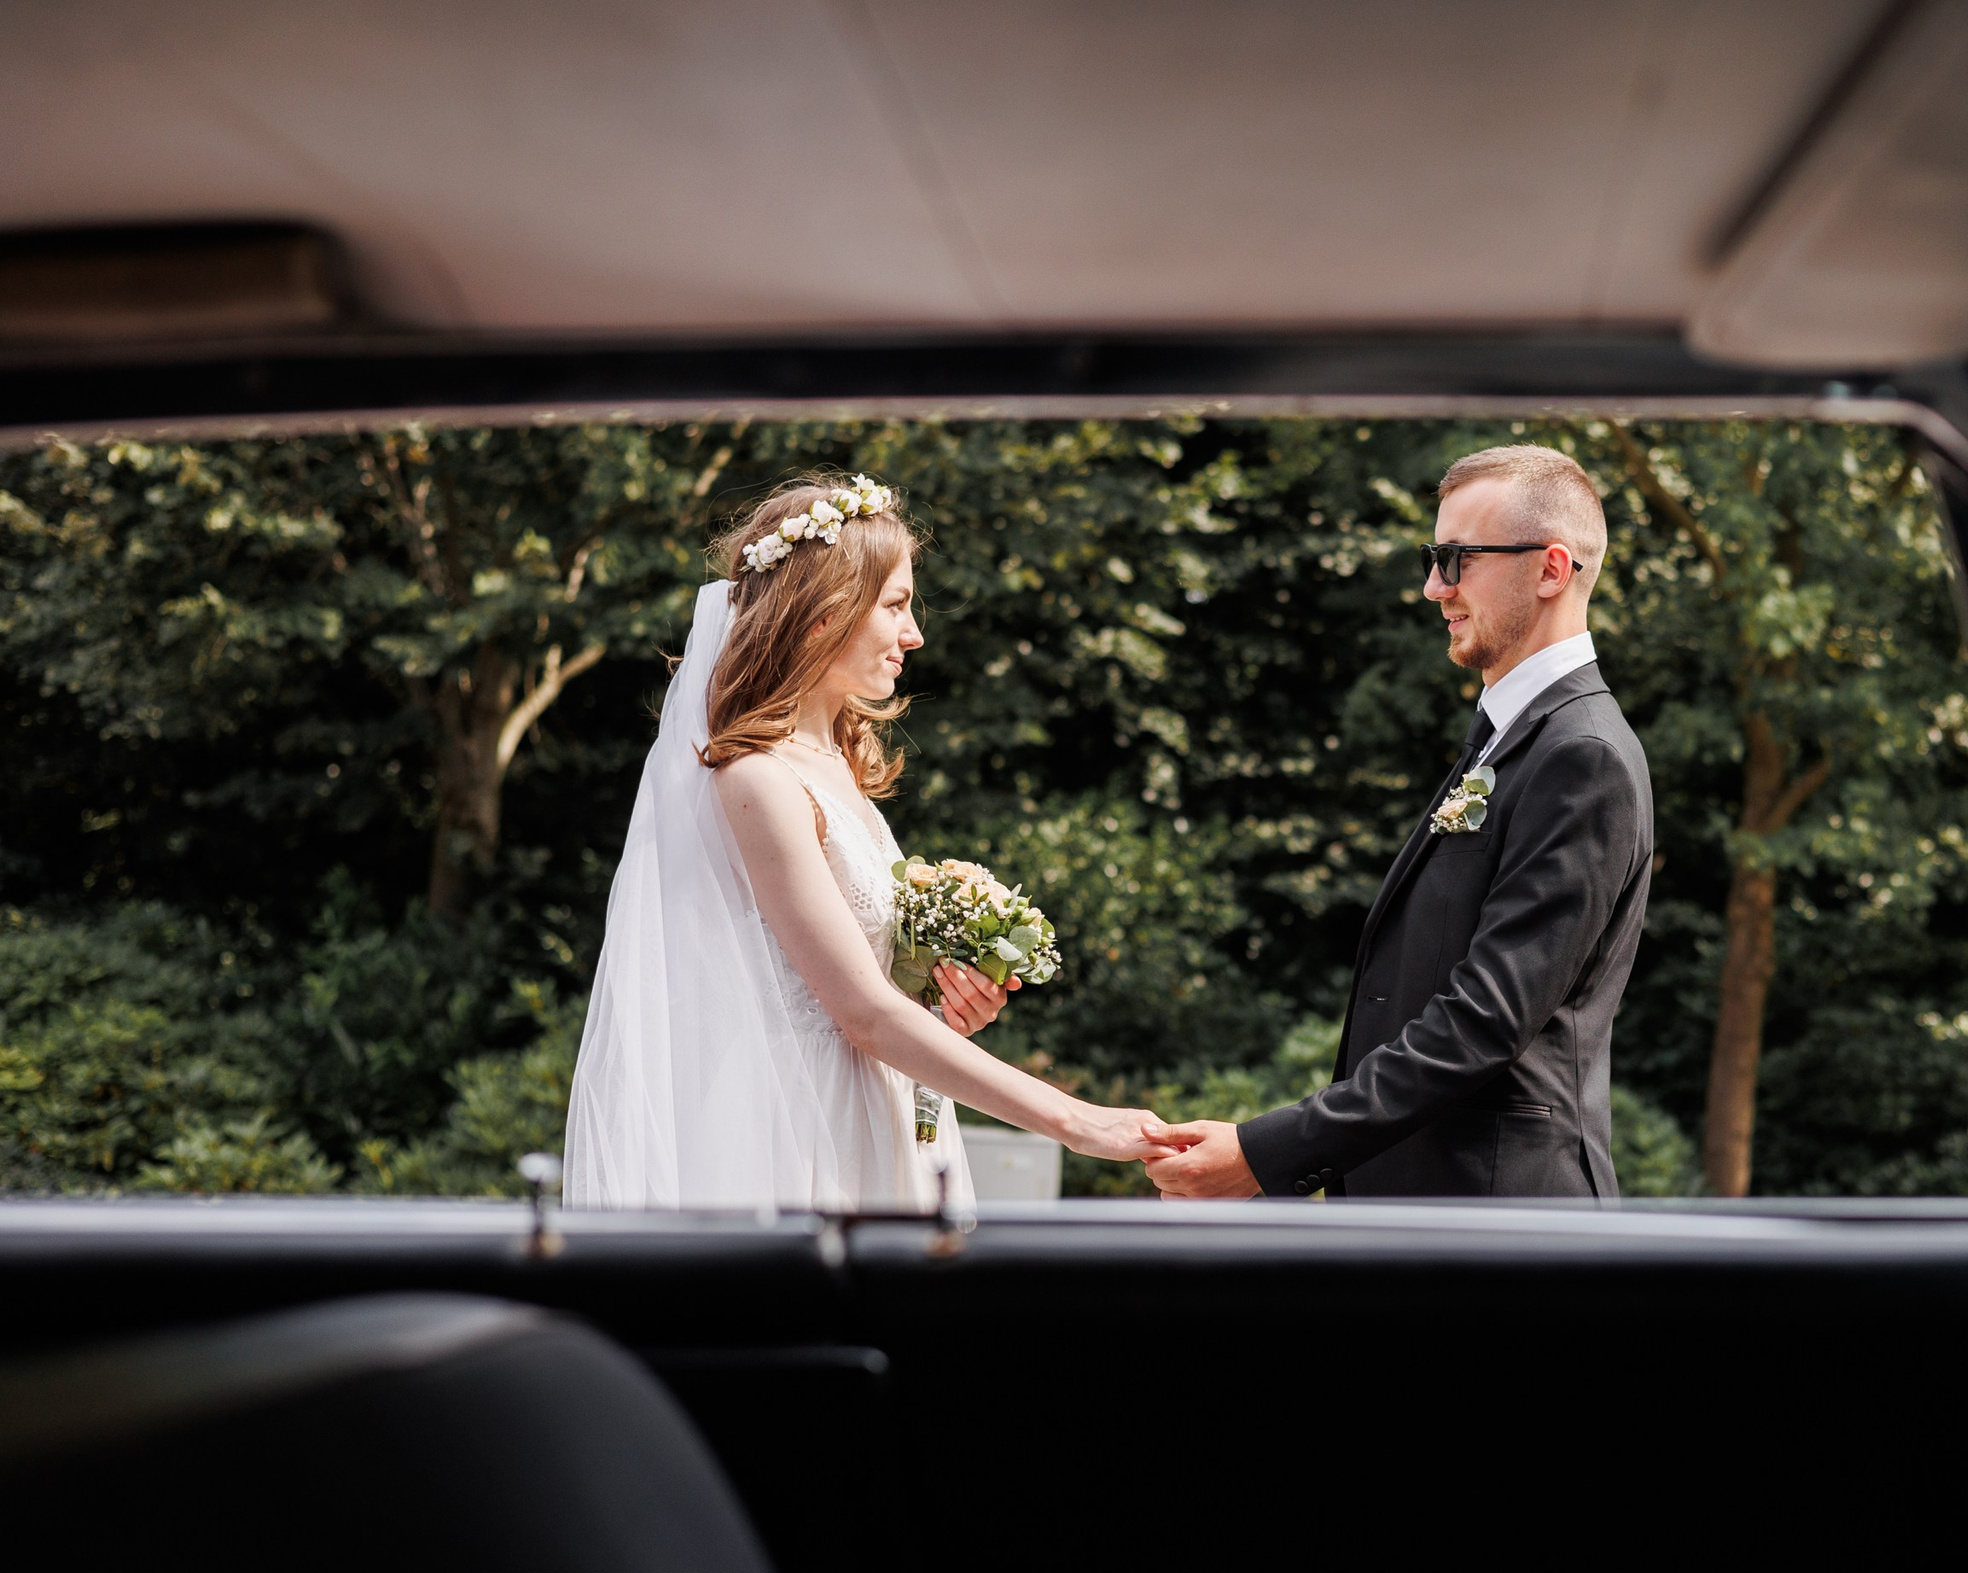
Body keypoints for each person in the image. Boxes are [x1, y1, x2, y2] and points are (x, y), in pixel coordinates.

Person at [565, 476, 1168, 1212]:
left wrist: (936, 991)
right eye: (896, 604)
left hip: (880, 1112)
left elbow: (874, 989)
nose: (914, 633)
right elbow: (860, 1012)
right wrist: (1073, 1120)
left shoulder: (837, 765)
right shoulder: (759, 778)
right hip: (807, 1131)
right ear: (822, 613)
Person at [1146, 445, 1653, 1198]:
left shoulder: (1583, 756)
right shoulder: (1512, 738)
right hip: (1433, 1215)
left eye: (1456, 559)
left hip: (1505, 1225)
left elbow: (1483, 1022)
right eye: (1432, 557)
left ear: (1551, 569)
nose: (1432, 587)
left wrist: (1268, 1151)